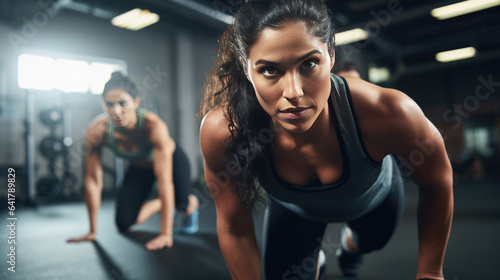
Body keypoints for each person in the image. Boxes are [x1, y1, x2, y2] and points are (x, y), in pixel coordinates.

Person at [198, 1, 453, 279]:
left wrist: (431, 271)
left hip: (374, 201)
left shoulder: (388, 111)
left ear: (331, 56)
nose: (293, 92)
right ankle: (314, 256)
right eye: (270, 70)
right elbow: (235, 227)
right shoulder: (223, 130)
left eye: (309, 63)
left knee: (370, 242)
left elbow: (437, 182)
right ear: (247, 70)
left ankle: (348, 246)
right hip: (296, 214)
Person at [68, 72, 199, 251]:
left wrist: (165, 233)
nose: (116, 111)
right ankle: (165, 203)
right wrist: (92, 230)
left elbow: (164, 181)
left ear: (136, 102)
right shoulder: (96, 132)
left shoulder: (153, 126)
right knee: (124, 222)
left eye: (122, 103)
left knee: (183, 204)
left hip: (173, 161)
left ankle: (186, 202)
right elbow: (93, 180)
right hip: (140, 166)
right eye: (110, 105)